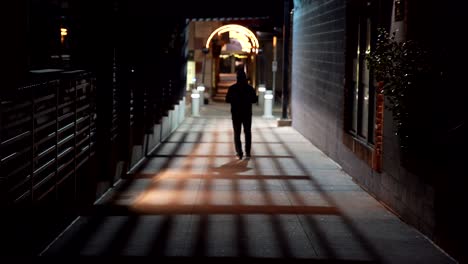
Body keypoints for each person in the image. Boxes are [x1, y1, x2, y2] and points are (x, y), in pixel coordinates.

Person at [225, 69, 257, 160]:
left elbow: (227, 100)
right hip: (247, 113)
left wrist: (235, 101)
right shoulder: (250, 88)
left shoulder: (232, 88)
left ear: (237, 78)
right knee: (247, 132)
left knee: (237, 133)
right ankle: (248, 152)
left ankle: (239, 152)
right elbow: (254, 100)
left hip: (236, 114)